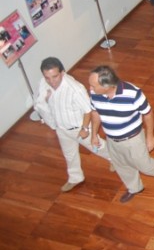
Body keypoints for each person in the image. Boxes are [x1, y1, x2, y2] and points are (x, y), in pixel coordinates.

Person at [89, 65, 154, 203]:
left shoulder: (133, 94)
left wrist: (150, 136)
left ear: (107, 86)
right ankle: (134, 188)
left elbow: (148, 114)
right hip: (112, 139)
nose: (90, 89)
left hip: (133, 139)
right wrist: (94, 134)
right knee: (121, 165)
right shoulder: (95, 95)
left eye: (93, 86)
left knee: (144, 165)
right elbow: (95, 113)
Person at [33, 57, 112, 193]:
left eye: (55, 77)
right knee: (69, 155)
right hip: (61, 128)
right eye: (47, 77)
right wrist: (46, 100)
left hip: (78, 128)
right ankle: (75, 178)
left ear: (62, 73)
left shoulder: (75, 89)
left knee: (97, 146)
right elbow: (42, 104)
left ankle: (116, 159)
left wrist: (85, 129)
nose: (51, 81)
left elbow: (88, 110)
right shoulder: (44, 83)